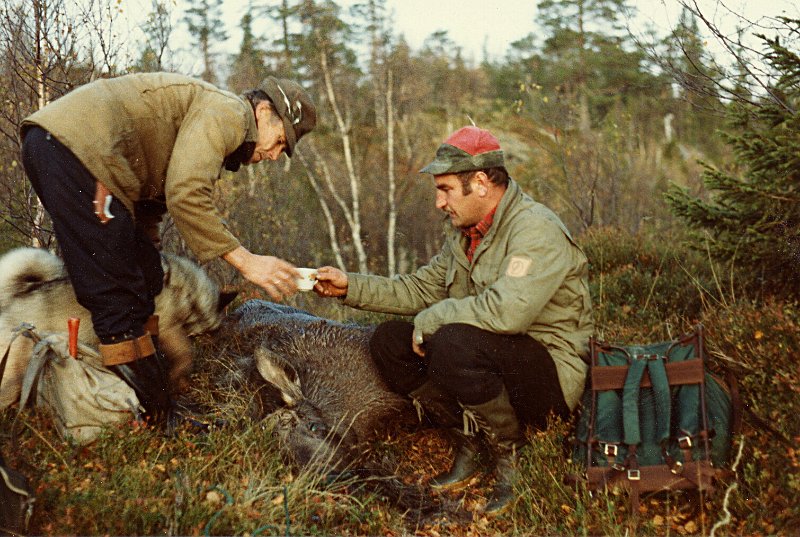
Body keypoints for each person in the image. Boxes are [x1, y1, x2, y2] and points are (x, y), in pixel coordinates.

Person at [314, 126, 593, 514]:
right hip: (494, 359)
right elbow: (419, 289)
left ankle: (511, 454)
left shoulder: (535, 228)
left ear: (480, 182)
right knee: (390, 341)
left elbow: (508, 312)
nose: (439, 203)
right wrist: (350, 286)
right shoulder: (465, 234)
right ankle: (470, 436)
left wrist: (436, 318)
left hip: (549, 376)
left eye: (445, 189)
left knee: (451, 341)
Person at [19, 72, 317, 423]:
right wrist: (247, 262)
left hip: (72, 150)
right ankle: (151, 420)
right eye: (280, 141)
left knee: (146, 280)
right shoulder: (230, 114)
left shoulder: (219, 121)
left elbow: (154, 191)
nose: (274, 154)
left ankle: (155, 403)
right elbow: (186, 192)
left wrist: (147, 253)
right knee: (117, 297)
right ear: (264, 111)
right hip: (77, 151)